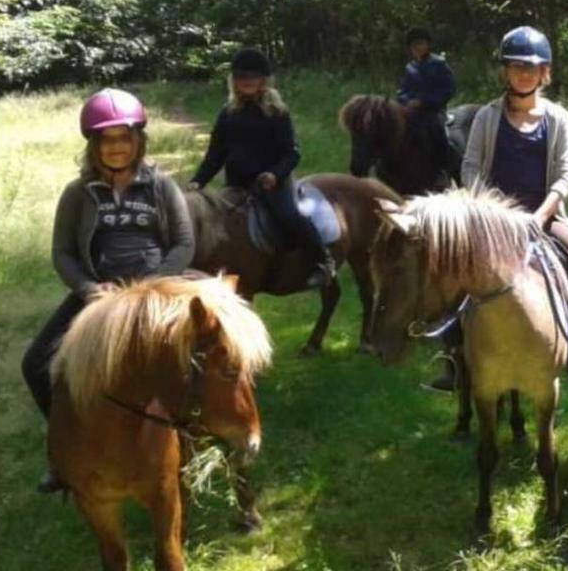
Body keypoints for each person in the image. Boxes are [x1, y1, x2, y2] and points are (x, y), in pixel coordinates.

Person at [22, 88, 196, 492]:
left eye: (124, 138)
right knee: (36, 365)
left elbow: (184, 244)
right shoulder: (77, 194)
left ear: (138, 141)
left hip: (157, 289)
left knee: (210, 356)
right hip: (99, 296)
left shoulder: (161, 186)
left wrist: (153, 285)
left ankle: (210, 437)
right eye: (107, 139)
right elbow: (62, 253)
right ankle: (62, 449)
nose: (117, 147)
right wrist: (87, 289)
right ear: (94, 145)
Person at [448, 25, 568, 388]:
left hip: (544, 218)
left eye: (532, 67)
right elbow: (470, 166)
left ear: (544, 72)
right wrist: (490, 213)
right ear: (505, 71)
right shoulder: (487, 117)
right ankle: (454, 357)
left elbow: (565, 175)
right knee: (450, 276)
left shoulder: (559, 118)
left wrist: (540, 216)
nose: (523, 73)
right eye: (516, 66)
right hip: (492, 222)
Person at [188, 48, 335, 288]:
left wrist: (274, 175)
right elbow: (215, 154)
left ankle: (322, 261)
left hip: (273, 182)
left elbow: (292, 152)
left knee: (289, 215)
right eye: (241, 77)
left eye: (252, 77)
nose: (247, 82)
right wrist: (198, 180)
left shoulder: (277, 112)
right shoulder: (227, 114)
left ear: (263, 80)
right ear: (234, 81)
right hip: (237, 184)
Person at [396, 27, 457, 175]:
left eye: (420, 44)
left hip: (434, 110)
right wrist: (406, 101)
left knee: (438, 131)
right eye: (414, 45)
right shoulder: (410, 68)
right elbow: (402, 91)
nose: (417, 48)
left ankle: (445, 168)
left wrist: (424, 101)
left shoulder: (439, 64)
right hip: (412, 111)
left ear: (427, 45)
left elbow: (449, 89)